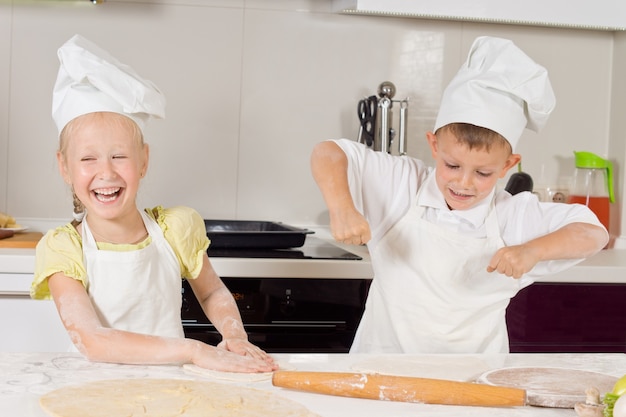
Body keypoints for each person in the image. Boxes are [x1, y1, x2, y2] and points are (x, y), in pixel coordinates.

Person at [311, 36, 609, 354]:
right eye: (452, 165)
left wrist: (531, 251)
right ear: (435, 145)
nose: (464, 183)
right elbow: (328, 152)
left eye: (483, 173)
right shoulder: (401, 185)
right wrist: (342, 207)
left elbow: (593, 233)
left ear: (508, 165)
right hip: (379, 378)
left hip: (475, 388)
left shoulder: (513, 217)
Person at [31, 34, 277, 373]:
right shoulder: (62, 249)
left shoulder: (174, 229)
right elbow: (91, 339)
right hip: (92, 392)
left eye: (119, 156)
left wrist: (234, 333)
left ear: (144, 160)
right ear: (64, 167)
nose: (106, 172)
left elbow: (212, 294)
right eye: (88, 159)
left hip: (168, 388)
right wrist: (193, 350)